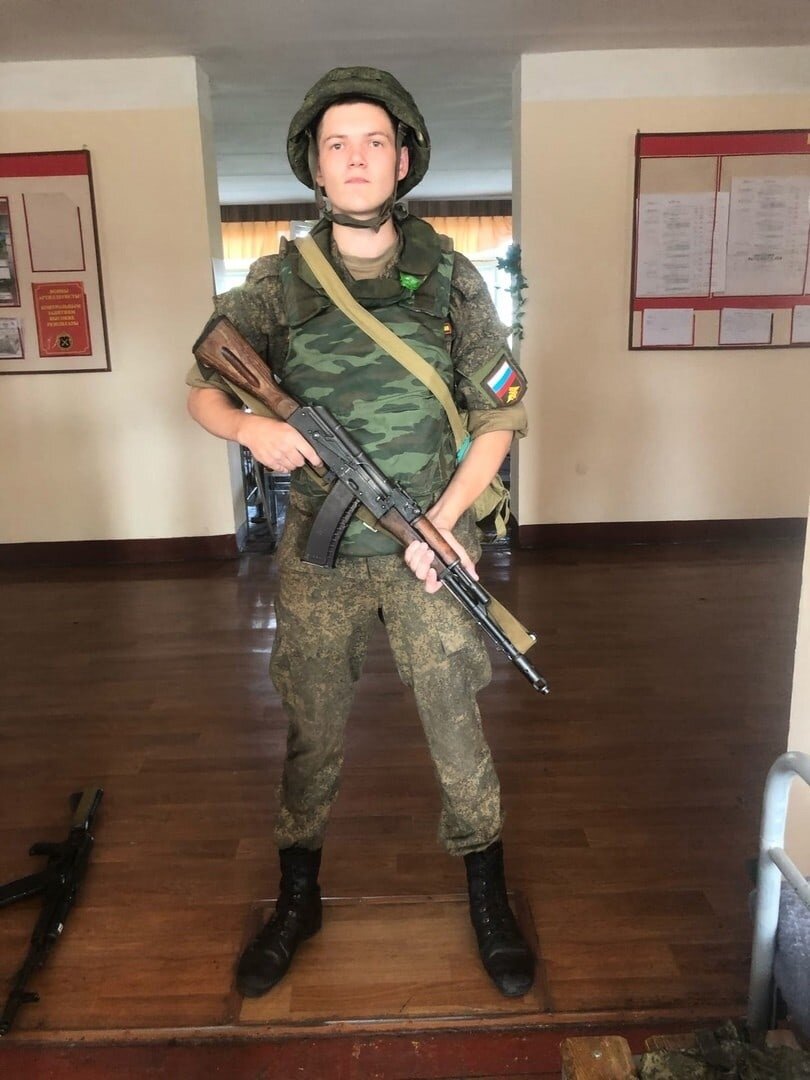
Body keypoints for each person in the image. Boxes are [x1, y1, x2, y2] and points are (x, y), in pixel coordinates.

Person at [186, 67, 534, 999]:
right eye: (336, 143)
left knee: (456, 721)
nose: (355, 158)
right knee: (312, 725)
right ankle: (297, 897)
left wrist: (442, 525)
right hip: (320, 556)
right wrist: (252, 430)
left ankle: (488, 892)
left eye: (374, 141)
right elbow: (202, 390)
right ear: (314, 163)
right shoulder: (278, 282)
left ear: (403, 159)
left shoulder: (453, 279)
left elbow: (500, 418)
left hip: (429, 550)